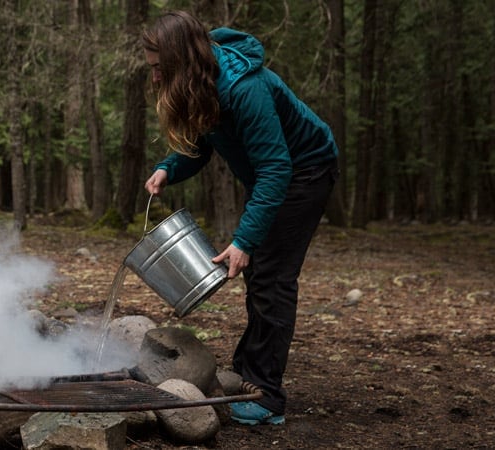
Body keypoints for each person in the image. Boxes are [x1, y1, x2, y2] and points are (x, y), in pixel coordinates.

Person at [141, 11, 338, 426]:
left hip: (304, 171)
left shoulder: (245, 88)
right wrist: (168, 168)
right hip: (271, 173)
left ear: (179, 60)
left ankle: (267, 396)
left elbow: (277, 168)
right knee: (259, 275)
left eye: (160, 69)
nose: (155, 79)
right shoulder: (204, 81)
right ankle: (249, 371)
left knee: (271, 277)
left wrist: (245, 240)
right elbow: (200, 142)